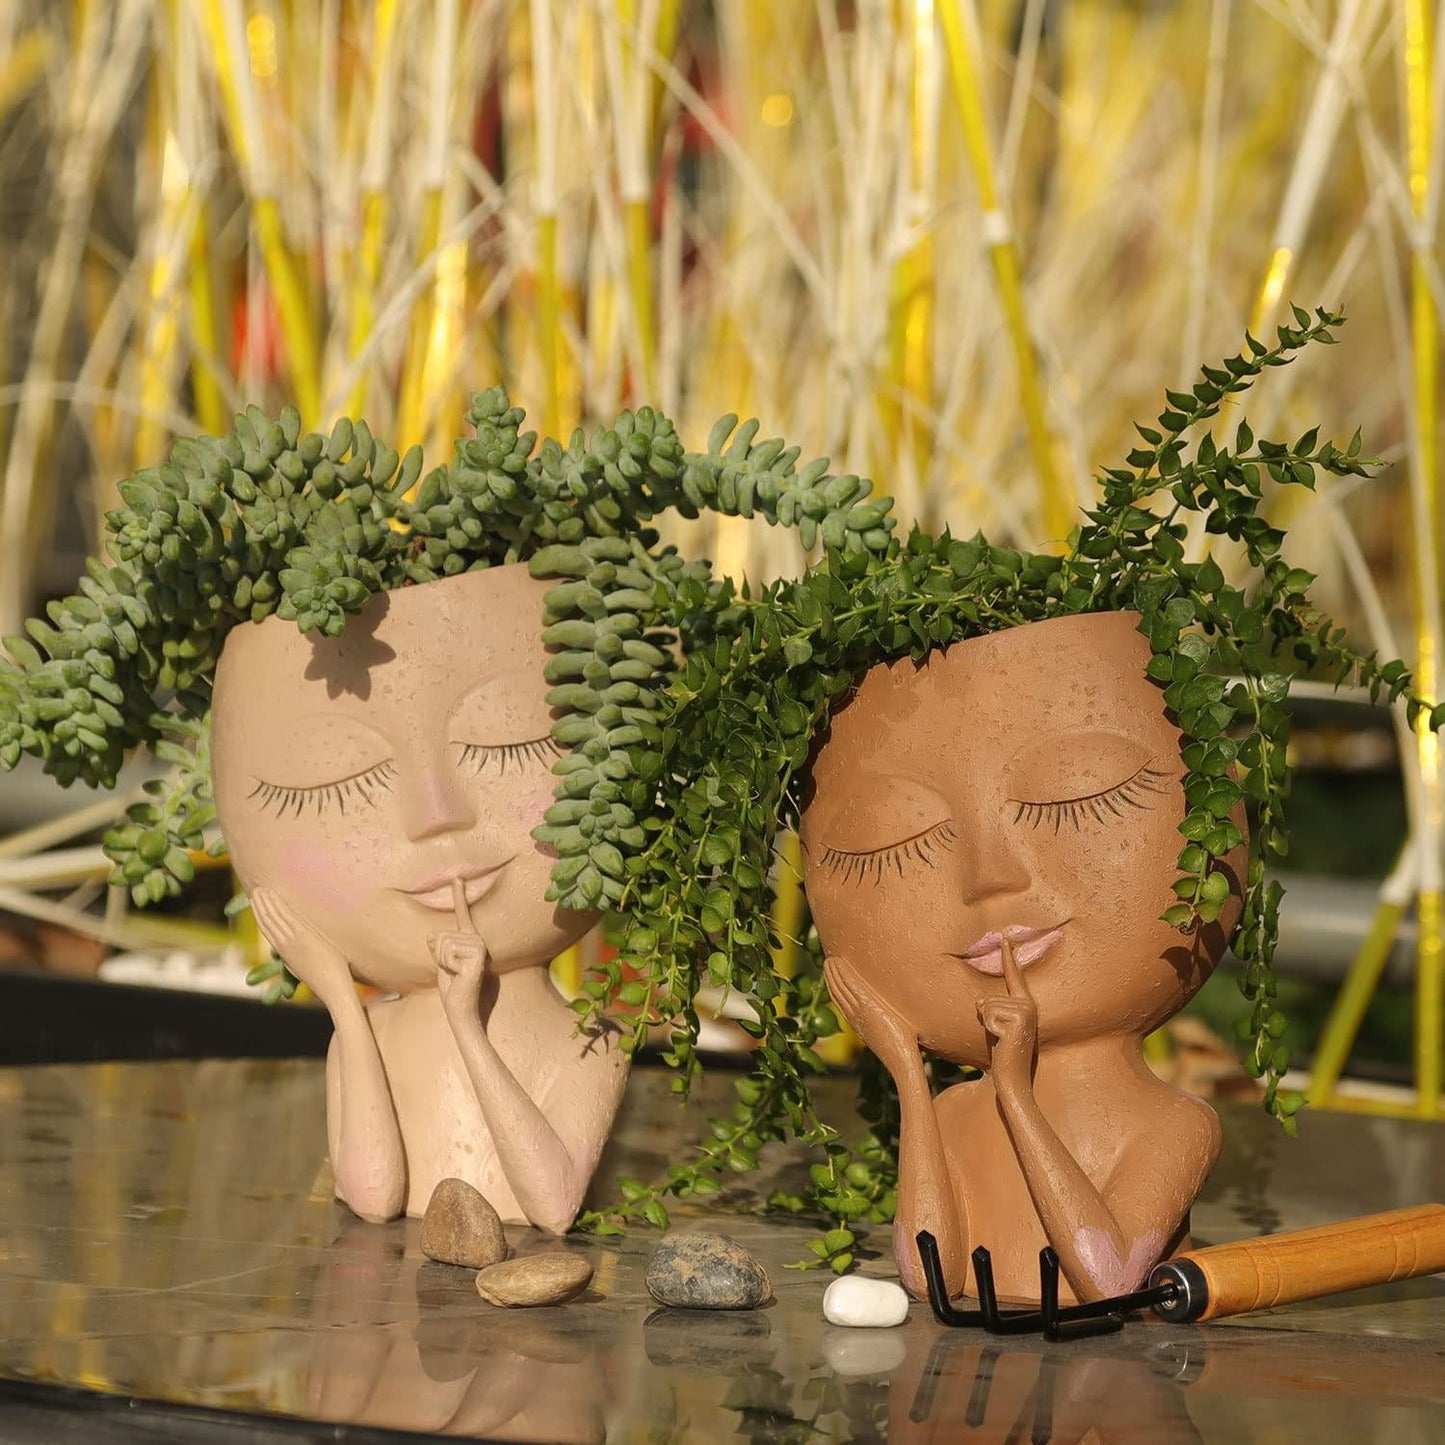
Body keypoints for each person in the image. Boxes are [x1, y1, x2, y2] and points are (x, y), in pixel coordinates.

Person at [800, 611, 1245, 1304]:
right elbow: (927, 1277)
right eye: (899, 839)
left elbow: (1106, 1275)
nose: (987, 877)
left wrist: (1015, 1090)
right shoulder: (953, 1114)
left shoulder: (1174, 1123)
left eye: (1078, 793)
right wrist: (909, 1079)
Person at [211, 563, 628, 1227]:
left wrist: (470, 1026)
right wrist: (344, 1004)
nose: (435, 813)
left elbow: (549, 1206)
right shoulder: (366, 1034)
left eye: (507, 742)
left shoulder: (590, 1040)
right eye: (336, 782)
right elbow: (373, 1195)